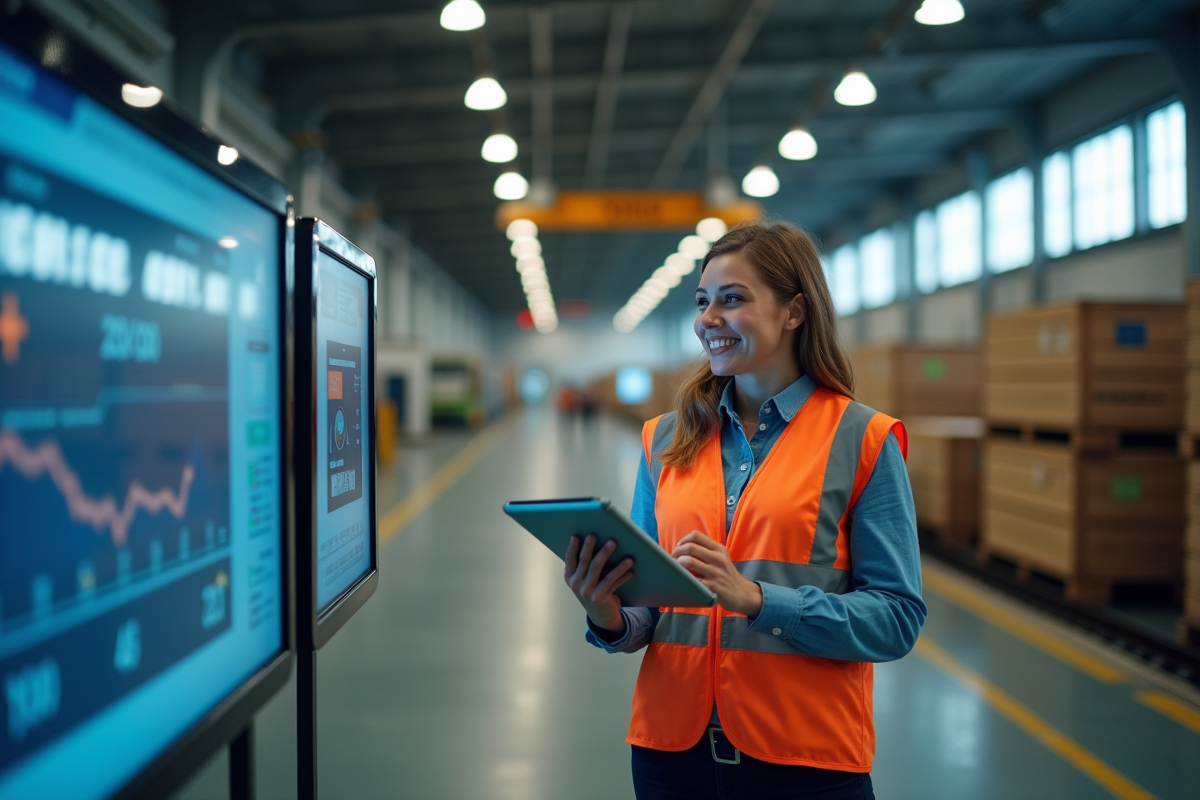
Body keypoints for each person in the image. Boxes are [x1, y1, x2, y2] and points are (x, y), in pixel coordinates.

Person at [563, 221, 926, 800]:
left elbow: (897, 619)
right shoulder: (664, 440)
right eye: (703, 302)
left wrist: (758, 601)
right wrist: (606, 613)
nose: (708, 319)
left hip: (803, 762)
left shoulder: (863, 439)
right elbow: (649, 613)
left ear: (794, 312)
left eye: (732, 300)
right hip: (670, 758)